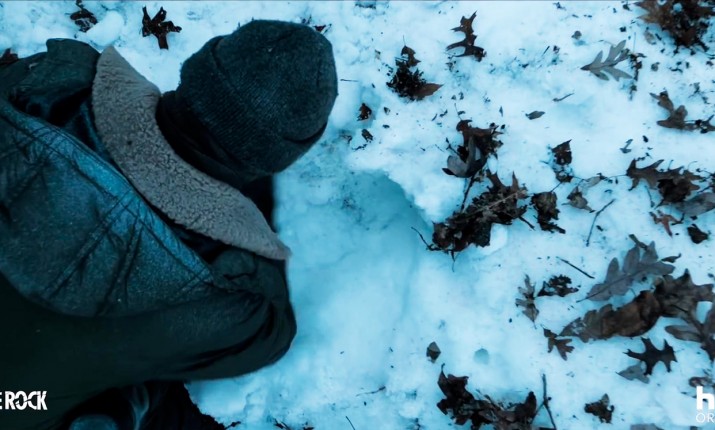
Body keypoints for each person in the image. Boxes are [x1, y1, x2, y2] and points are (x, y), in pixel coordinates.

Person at [0, 19, 338, 430]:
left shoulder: (45, 83)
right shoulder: (233, 302)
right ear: (282, 157)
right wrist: (246, 214)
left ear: (195, 70)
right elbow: (273, 334)